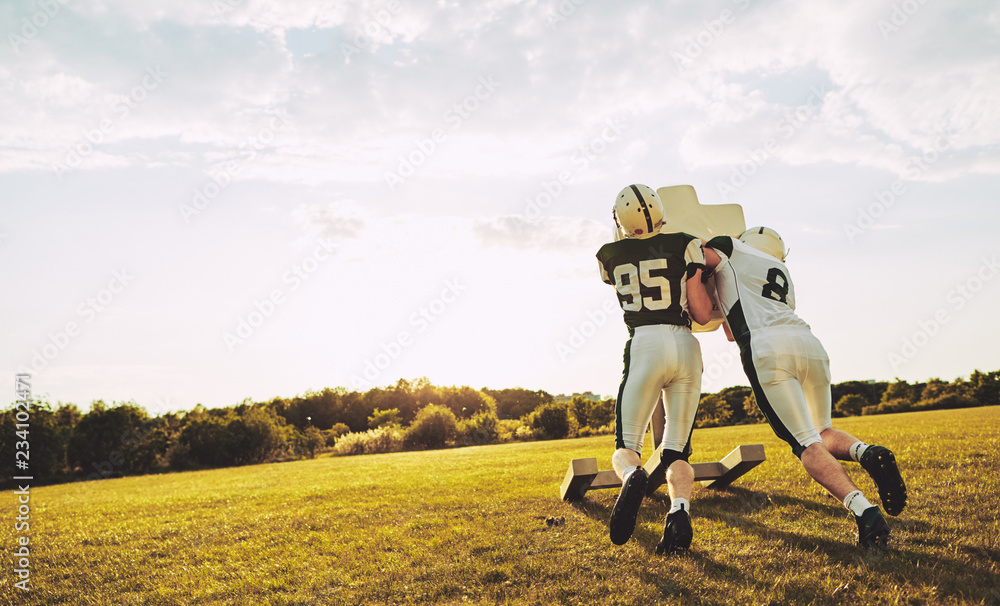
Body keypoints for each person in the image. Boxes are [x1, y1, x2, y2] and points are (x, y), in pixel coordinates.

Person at [703, 227, 907, 549]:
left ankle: (864, 512)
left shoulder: (730, 248)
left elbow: (696, 255)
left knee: (807, 445)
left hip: (767, 347)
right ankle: (867, 453)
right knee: (822, 430)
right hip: (809, 343)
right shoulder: (782, 271)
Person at [596, 184, 713, 553]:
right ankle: (679, 512)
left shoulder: (607, 255)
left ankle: (632, 476)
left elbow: (623, 259)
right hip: (684, 343)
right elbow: (701, 313)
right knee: (674, 451)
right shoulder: (686, 242)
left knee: (626, 446)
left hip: (644, 343)